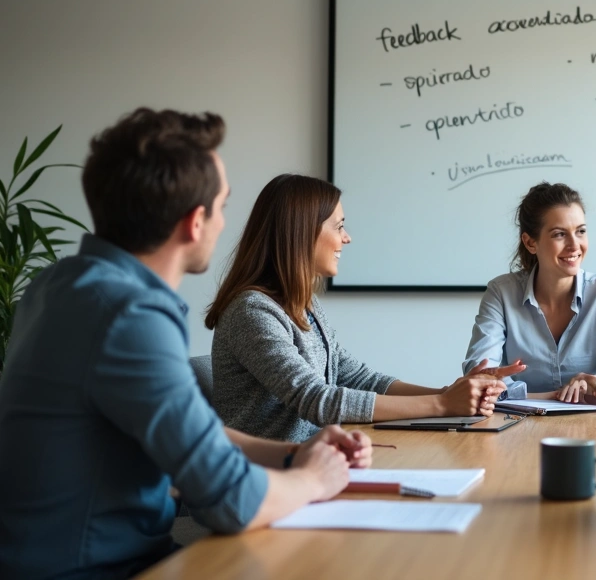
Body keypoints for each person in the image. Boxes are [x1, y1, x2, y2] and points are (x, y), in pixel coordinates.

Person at [0, 109, 366, 578]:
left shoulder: (59, 285)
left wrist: (294, 453)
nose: (222, 223)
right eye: (223, 205)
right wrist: (312, 480)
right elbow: (232, 503)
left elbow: (192, 434)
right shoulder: (130, 314)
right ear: (196, 222)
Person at [207, 174, 521, 442]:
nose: (347, 238)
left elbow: (356, 377)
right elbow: (317, 399)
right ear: (301, 232)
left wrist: (448, 391)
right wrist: (441, 404)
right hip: (261, 484)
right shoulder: (252, 312)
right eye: (339, 226)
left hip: (308, 468)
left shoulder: (305, 305)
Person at [462, 182, 596, 404]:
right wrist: (550, 397)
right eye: (560, 234)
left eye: (580, 231)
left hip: (591, 429)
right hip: (516, 428)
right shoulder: (501, 294)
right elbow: (479, 379)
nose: (574, 245)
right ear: (531, 242)